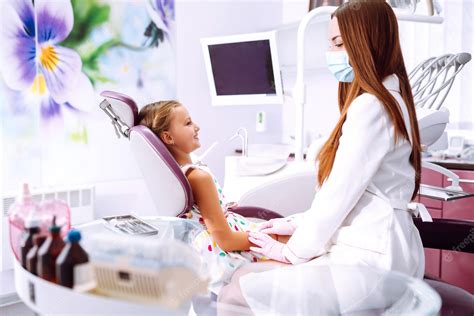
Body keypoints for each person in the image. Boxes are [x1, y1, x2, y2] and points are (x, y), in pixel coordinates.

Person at [218, 1, 427, 309]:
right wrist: (294, 224)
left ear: (367, 43)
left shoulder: (372, 106)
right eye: (330, 43)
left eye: (339, 43)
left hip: (370, 261)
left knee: (236, 289)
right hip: (380, 248)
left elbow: (340, 194)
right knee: (240, 281)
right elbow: (358, 195)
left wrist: (292, 253)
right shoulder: (389, 100)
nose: (332, 53)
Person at [137, 101, 276, 284]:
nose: (197, 127)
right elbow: (226, 240)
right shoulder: (198, 177)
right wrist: (271, 240)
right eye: (188, 123)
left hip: (212, 247)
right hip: (224, 256)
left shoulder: (186, 172)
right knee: (293, 238)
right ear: (168, 137)